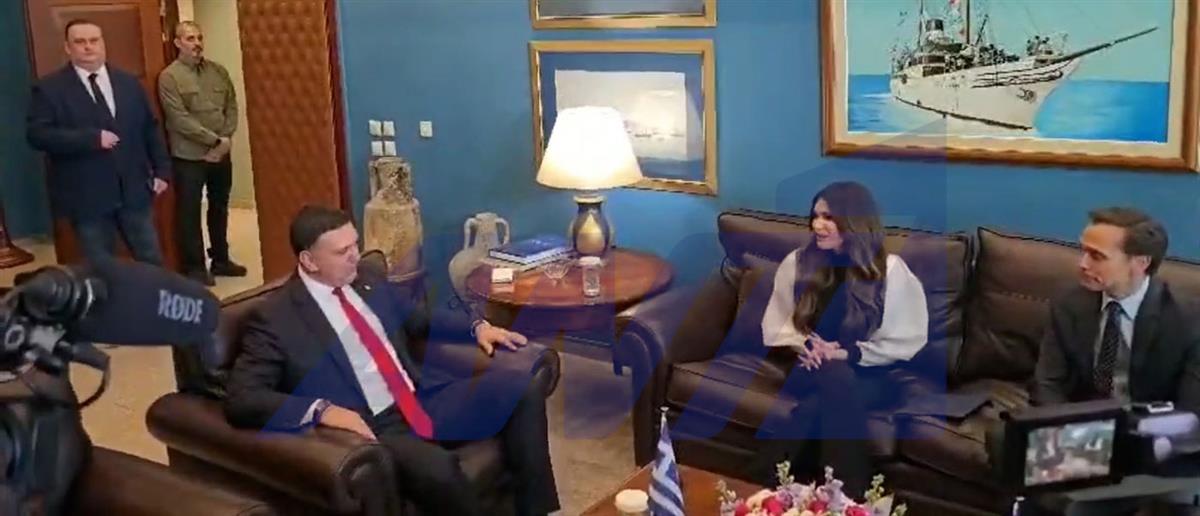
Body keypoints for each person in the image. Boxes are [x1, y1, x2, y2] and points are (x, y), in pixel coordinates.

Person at [223, 206, 559, 516]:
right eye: (342, 252)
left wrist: (477, 327)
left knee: (523, 387)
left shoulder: (366, 280)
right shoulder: (275, 318)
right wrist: (322, 410)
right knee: (440, 470)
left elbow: (418, 318)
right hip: (375, 424)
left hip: (420, 396)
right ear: (309, 261)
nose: (355, 257)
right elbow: (243, 398)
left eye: (355, 244)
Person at [751, 181, 928, 494]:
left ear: (854, 221)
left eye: (829, 217)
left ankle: (764, 482)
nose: (817, 225)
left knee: (815, 406)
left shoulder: (889, 271)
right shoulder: (799, 263)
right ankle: (851, 495)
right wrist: (807, 346)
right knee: (832, 375)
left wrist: (846, 353)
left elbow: (906, 337)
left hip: (870, 374)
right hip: (807, 367)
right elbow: (778, 322)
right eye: (815, 216)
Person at [26, 19, 170, 266]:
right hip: (87, 197)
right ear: (68, 47)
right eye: (80, 42)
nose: (88, 47)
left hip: (134, 191)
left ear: (103, 43)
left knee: (151, 261)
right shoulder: (49, 89)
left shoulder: (128, 83)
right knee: (102, 268)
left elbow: (149, 128)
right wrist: (90, 139)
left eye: (94, 40)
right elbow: (37, 135)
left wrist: (162, 171)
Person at [1033, 207, 1200, 413]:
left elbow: (1191, 410)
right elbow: (1048, 382)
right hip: (1079, 419)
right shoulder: (1068, 302)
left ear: (1141, 263)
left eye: (1097, 256)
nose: (1082, 264)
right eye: (1083, 251)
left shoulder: (1188, 319)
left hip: (1149, 424)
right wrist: (1063, 426)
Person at [158, 21, 247, 285]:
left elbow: (231, 106)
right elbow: (178, 119)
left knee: (219, 206)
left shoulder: (217, 71)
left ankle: (221, 259)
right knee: (189, 211)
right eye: (189, 38)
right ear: (177, 43)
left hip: (221, 152)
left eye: (199, 37)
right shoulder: (169, 77)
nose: (196, 43)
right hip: (189, 156)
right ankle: (194, 267)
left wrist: (225, 140)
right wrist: (214, 140)